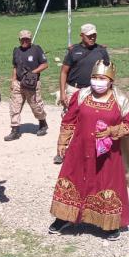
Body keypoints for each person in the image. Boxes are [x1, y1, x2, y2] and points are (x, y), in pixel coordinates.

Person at [48, 60, 129, 241]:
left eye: (102, 78)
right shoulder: (81, 96)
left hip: (107, 155)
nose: (98, 81)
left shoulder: (121, 100)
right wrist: (62, 142)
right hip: (79, 150)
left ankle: (108, 224)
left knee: (106, 184)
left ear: (111, 80)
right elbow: (69, 120)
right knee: (72, 179)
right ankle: (64, 217)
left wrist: (112, 131)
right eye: (95, 77)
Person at [54, 23, 110, 164]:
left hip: (94, 91)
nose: (92, 37)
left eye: (94, 35)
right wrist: (62, 93)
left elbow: (107, 73)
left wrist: (108, 91)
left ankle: (93, 151)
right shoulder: (74, 51)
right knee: (69, 120)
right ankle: (61, 151)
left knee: (95, 121)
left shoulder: (101, 51)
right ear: (82, 36)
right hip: (74, 90)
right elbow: (64, 72)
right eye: (89, 35)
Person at [4, 29, 49, 141]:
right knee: (15, 106)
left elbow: (45, 64)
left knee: (36, 106)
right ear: (19, 39)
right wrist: (13, 81)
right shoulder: (16, 51)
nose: (25, 41)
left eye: (27, 39)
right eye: (23, 39)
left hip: (32, 83)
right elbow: (15, 67)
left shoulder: (36, 49)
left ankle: (43, 123)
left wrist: (33, 72)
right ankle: (15, 130)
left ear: (30, 39)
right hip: (18, 83)